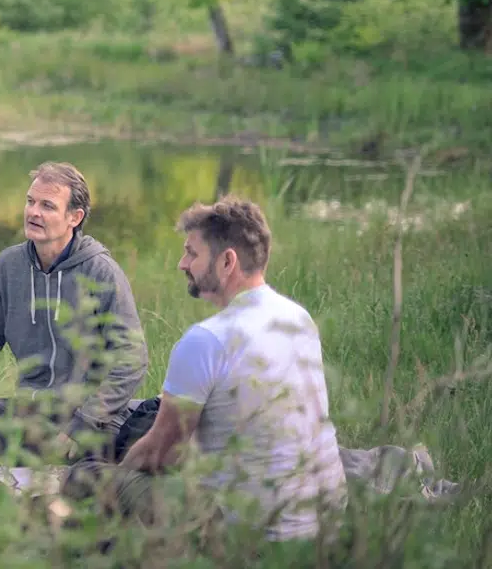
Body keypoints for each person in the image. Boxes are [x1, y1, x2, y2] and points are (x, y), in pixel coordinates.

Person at [68, 196, 346, 541]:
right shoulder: (298, 318)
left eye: (191, 253)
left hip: (248, 533)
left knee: (86, 475)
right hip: (324, 524)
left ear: (227, 261)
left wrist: (119, 475)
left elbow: (161, 454)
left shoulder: (207, 340)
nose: (182, 264)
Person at [0, 162, 148, 459]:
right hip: (29, 412)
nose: (33, 212)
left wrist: (82, 425)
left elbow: (132, 359)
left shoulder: (100, 271)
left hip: (90, 420)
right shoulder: (8, 266)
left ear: (74, 217)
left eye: (47, 206)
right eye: (30, 201)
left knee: (88, 460)